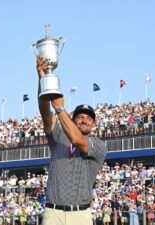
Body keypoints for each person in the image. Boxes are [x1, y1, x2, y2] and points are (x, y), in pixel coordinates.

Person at [36, 55, 107, 225]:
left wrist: (60, 108)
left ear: (93, 125)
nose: (84, 120)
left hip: (80, 214)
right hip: (53, 212)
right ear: (72, 121)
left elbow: (77, 140)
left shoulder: (98, 145)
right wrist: (43, 78)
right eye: (80, 117)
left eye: (89, 119)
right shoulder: (59, 136)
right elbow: (46, 114)